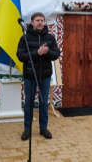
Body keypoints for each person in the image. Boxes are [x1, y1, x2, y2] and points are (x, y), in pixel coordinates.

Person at [17, 12, 60, 141]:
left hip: (45, 75)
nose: (40, 22)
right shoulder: (25, 38)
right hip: (30, 75)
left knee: (43, 102)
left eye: (42, 20)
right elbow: (20, 56)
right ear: (32, 22)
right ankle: (27, 129)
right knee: (29, 102)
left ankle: (43, 128)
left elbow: (56, 54)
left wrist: (47, 52)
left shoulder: (50, 38)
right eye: (37, 20)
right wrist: (37, 52)